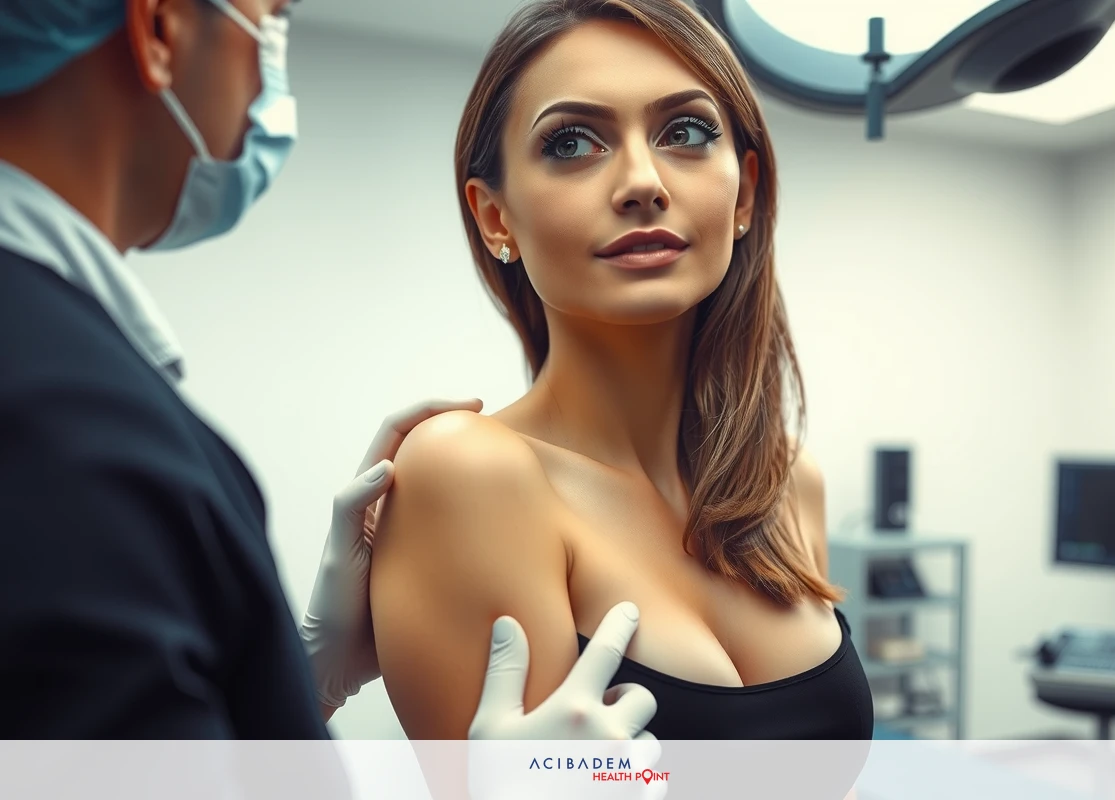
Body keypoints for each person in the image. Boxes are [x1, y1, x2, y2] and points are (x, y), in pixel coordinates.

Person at [0, 0, 656, 743]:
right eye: (271, 18)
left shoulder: (66, 379)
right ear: (157, 30)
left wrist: (296, 683)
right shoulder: (57, 418)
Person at [369, 0, 876, 747]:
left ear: (745, 190)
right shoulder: (468, 472)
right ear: (494, 217)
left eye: (688, 132)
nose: (643, 181)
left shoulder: (789, 486)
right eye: (573, 142)